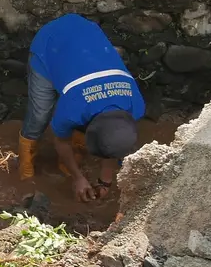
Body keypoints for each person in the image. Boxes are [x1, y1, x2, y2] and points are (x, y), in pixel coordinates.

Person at [18, 14, 145, 201]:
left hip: (84, 42)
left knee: (79, 130)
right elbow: (61, 140)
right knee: (40, 116)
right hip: (50, 45)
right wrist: (78, 178)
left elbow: (114, 145)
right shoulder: (73, 109)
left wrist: (105, 181)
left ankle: (67, 163)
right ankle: (25, 166)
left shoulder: (136, 106)